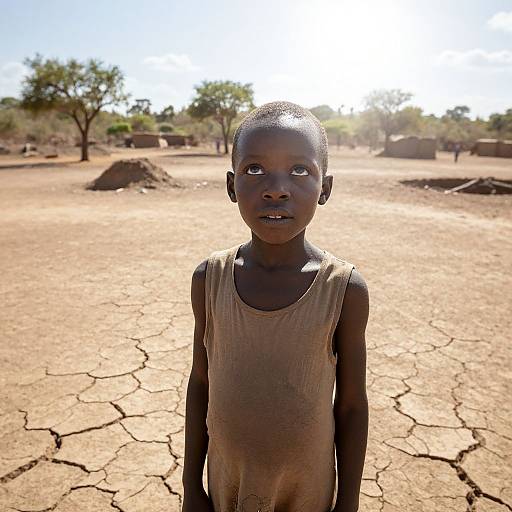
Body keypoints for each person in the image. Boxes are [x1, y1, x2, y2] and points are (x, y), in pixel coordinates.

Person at [182, 101, 369, 512]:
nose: (276, 188)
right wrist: (190, 486)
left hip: (307, 492)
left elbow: (352, 404)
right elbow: (201, 384)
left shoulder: (343, 289)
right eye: (254, 170)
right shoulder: (209, 279)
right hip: (226, 485)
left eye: (300, 170)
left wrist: (349, 503)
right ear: (232, 186)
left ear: (326, 188)